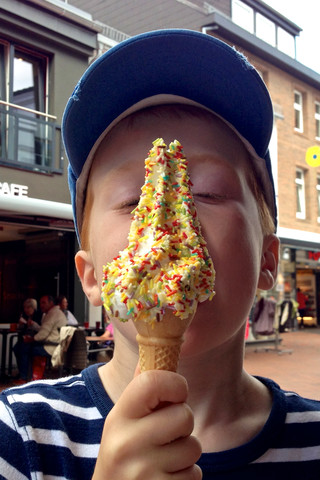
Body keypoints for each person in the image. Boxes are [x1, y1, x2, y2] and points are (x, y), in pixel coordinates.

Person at [1, 29, 320, 479]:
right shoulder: (20, 435)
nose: (171, 223)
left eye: (205, 191)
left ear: (267, 260)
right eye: (135, 200)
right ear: (92, 276)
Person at [14, 294, 67, 383]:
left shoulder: (52, 314)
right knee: (20, 347)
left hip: (51, 346)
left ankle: (25, 377)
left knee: (22, 348)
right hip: (53, 343)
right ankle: (27, 375)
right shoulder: (54, 313)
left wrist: (31, 339)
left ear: (51, 303)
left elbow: (43, 334)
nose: (41, 305)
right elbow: (44, 330)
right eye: (40, 303)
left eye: (44, 303)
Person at [12, 298, 42, 380]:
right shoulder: (24, 316)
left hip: (36, 340)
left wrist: (33, 325)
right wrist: (20, 325)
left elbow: (42, 330)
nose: (26, 310)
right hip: (26, 340)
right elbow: (22, 330)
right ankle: (21, 372)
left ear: (33, 308)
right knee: (16, 348)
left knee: (23, 350)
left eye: (28, 307)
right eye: (25, 307)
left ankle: (24, 376)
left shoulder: (39, 315)